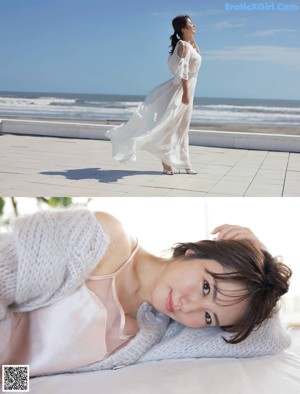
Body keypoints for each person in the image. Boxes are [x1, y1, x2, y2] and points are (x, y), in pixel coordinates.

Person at [0, 209, 292, 377]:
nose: (187, 307)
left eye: (208, 316)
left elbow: (266, 340)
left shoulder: (158, 330)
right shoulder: (101, 237)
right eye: (206, 286)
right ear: (194, 251)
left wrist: (263, 262)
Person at [106, 15, 202, 175]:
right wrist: (185, 93)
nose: (195, 25)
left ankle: (185, 163)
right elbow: (184, 71)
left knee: (182, 128)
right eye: (191, 24)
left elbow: (196, 57)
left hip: (189, 87)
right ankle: (168, 163)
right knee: (171, 127)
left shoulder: (189, 45)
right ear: (183, 28)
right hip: (182, 91)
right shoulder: (183, 45)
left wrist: (192, 39)